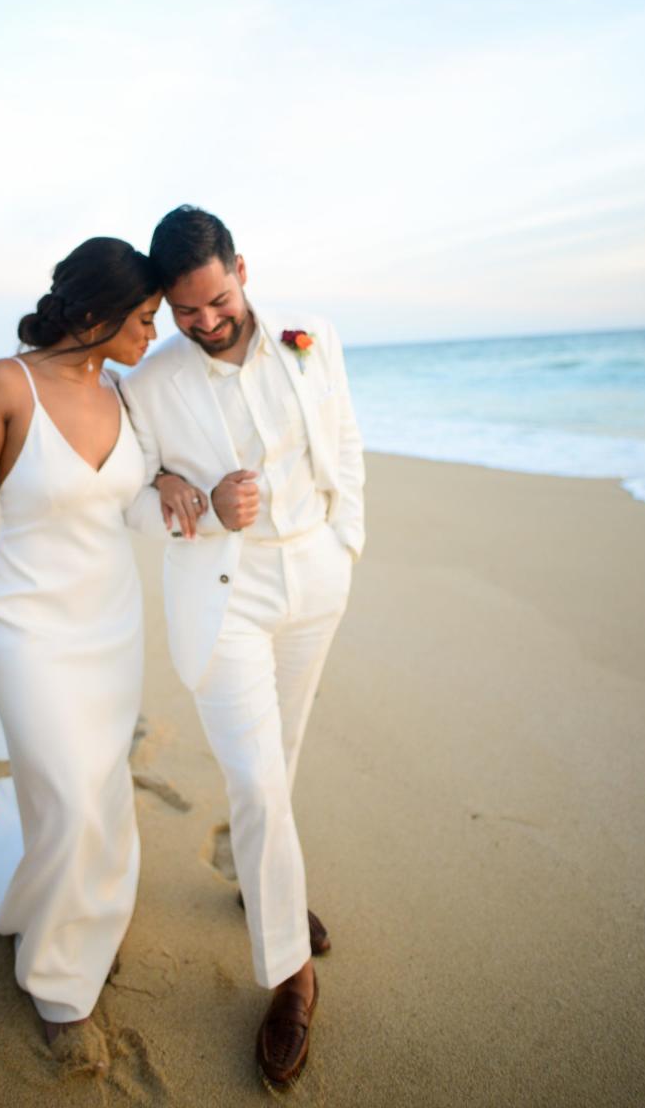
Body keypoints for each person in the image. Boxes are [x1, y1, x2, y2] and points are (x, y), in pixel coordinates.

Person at [0, 237, 198, 1071]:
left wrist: (172, 483)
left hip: (112, 623)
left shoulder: (129, 393)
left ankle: (72, 918)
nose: (155, 334)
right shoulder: (5, 384)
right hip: (28, 624)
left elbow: (144, 483)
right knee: (69, 796)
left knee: (98, 792)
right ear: (95, 314)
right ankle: (61, 990)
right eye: (144, 320)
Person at [122, 206, 365, 1087]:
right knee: (257, 779)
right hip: (225, 599)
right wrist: (189, 502)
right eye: (185, 312)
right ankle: (291, 978)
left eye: (216, 301)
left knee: (281, 760)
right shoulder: (148, 386)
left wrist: (348, 545)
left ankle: (262, 883)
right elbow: (128, 502)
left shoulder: (313, 339)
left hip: (316, 583)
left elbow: (343, 444)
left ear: (242, 270)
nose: (204, 323)